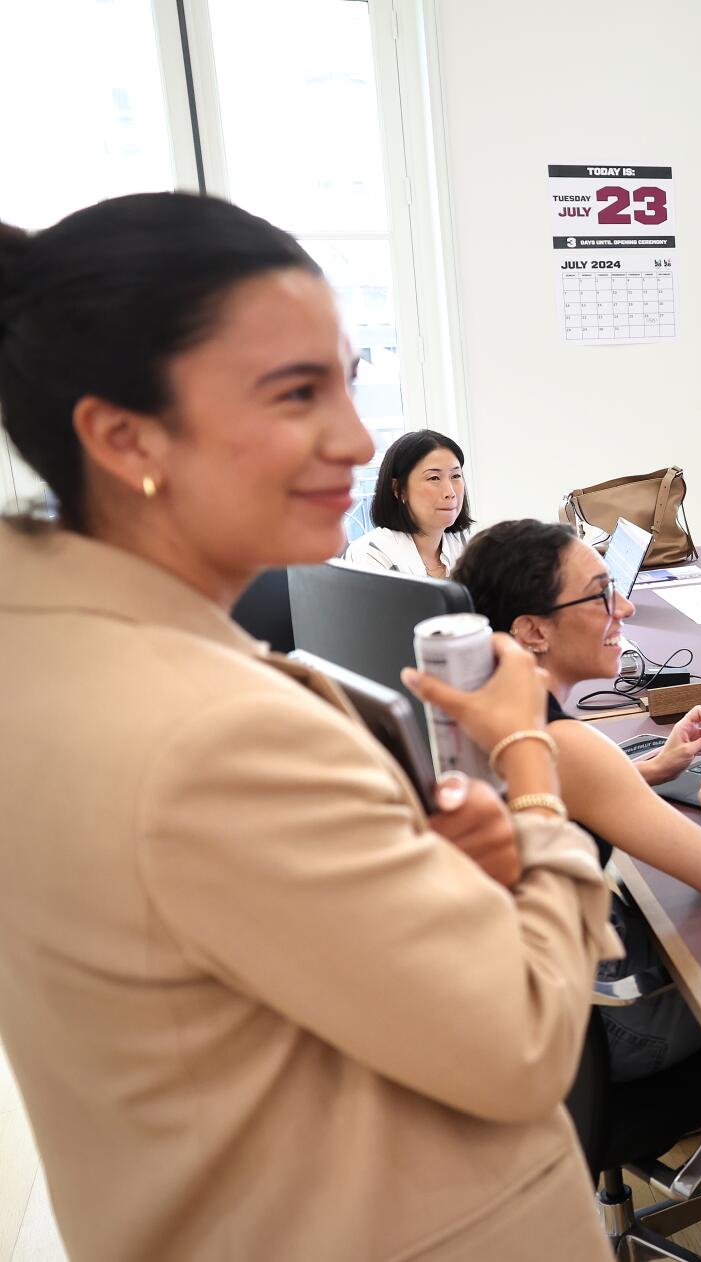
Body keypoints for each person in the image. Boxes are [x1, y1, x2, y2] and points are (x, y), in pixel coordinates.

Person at [0, 193, 618, 1261]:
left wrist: (405, 861)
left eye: (348, 379)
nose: (357, 438)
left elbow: (210, 928)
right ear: (120, 433)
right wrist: (529, 769)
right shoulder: (209, 735)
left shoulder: (50, 645)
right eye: (296, 392)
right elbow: (523, 1037)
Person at [451, 519, 701, 1082]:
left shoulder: (480, 704)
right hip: (606, 1029)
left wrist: (646, 768)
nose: (626, 610)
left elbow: (565, 792)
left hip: (522, 1012)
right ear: (533, 632)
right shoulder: (566, 745)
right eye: (601, 594)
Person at [343, 428, 473, 577]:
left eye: (456, 476)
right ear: (399, 489)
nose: (450, 492)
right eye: (434, 478)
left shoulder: (466, 546)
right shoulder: (370, 554)